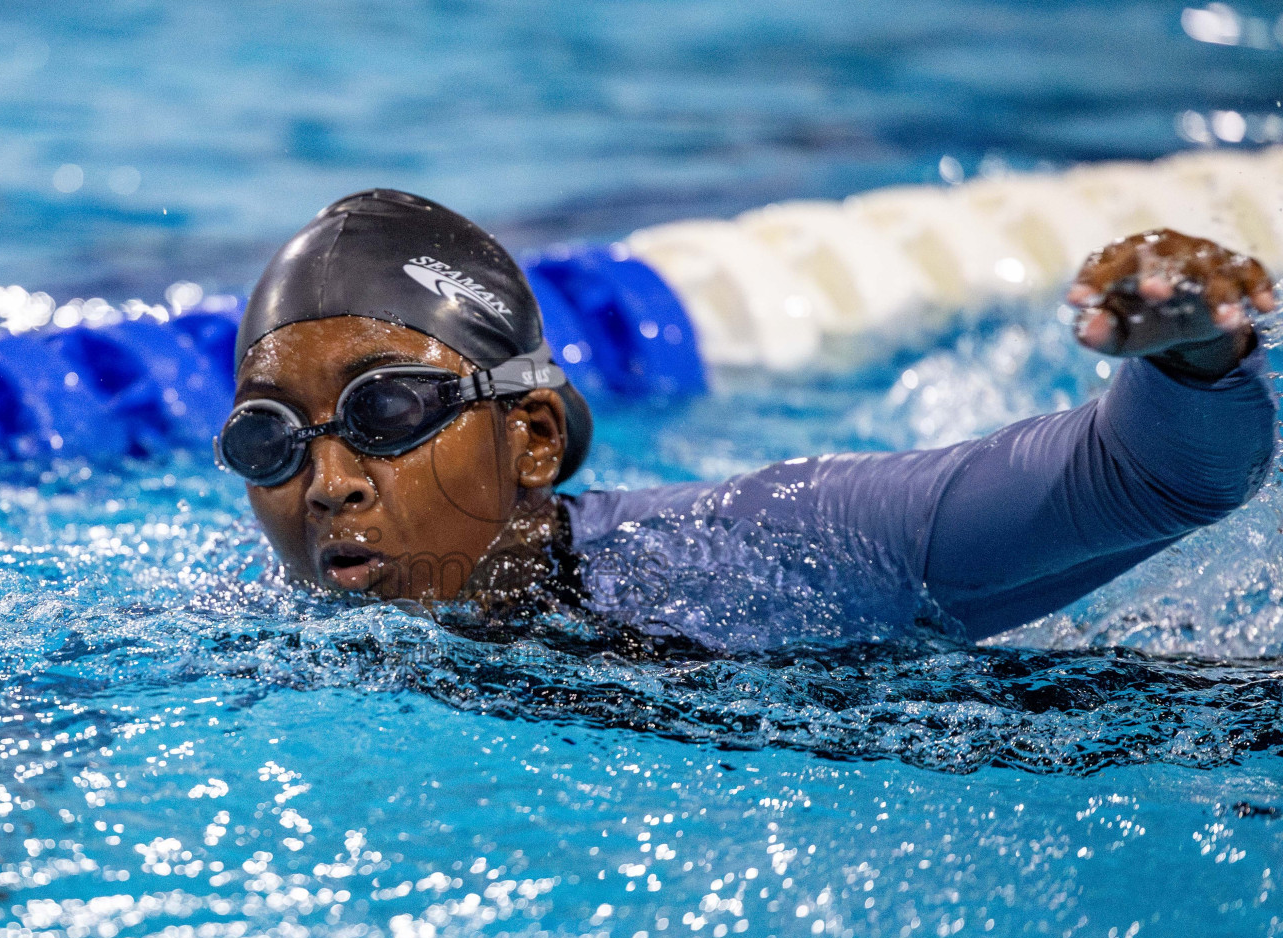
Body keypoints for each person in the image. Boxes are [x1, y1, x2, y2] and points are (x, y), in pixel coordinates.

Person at [218, 188, 1277, 643]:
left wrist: (1194, 358)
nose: (329, 482)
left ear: (532, 436)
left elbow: (1151, 480)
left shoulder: (756, 555)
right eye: (268, 436)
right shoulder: (253, 639)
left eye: (387, 408)